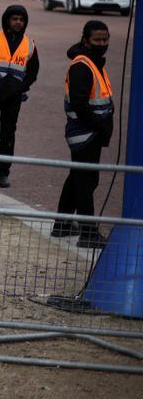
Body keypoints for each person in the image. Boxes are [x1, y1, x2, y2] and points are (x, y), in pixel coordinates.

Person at [54, 21, 114, 248]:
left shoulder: (93, 62)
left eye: (105, 39)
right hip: (85, 132)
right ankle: (88, 233)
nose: (103, 44)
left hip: (90, 131)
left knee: (77, 178)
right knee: (86, 181)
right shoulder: (82, 65)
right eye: (98, 40)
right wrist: (99, 123)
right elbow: (80, 103)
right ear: (86, 40)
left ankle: (62, 224)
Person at [0, 5, 39, 188]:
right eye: (15, 19)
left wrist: (22, 86)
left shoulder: (30, 44)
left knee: (8, 135)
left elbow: (33, 71)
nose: (18, 22)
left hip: (13, 96)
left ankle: (3, 172)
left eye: (21, 19)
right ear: (7, 20)